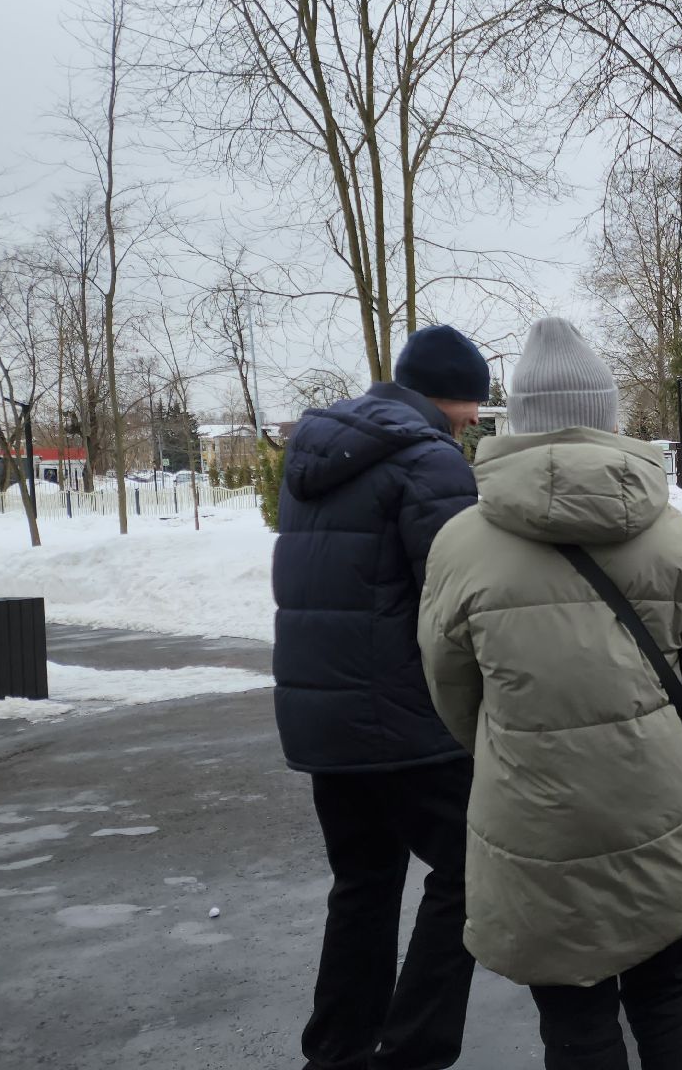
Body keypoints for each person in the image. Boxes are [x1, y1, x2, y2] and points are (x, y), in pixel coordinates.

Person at [418, 317, 682, 1070]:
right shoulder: (669, 537)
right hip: (654, 806)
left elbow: (450, 692)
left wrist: (511, 746)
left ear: (520, 418)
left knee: (573, 1018)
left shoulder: (461, 545)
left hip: (530, 815)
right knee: (667, 995)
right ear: (606, 417)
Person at [272, 323, 487, 1070]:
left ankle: (335, 1052)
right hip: (401, 720)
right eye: (473, 410)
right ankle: (413, 1053)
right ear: (452, 398)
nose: (474, 425)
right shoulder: (429, 462)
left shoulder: (317, 453)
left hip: (321, 720)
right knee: (471, 871)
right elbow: (456, 601)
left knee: (363, 883)